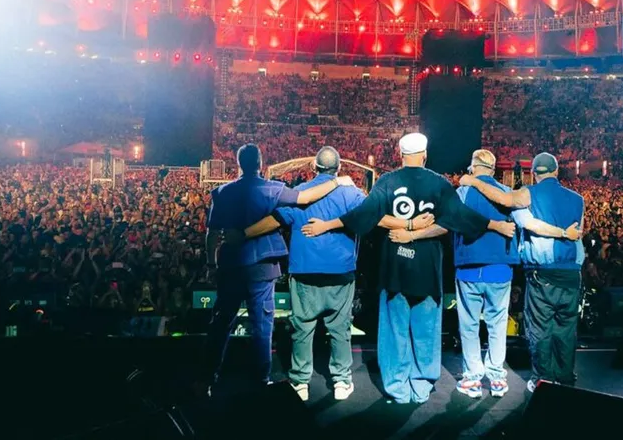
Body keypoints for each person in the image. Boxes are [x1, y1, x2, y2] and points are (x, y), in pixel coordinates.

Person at [302, 133, 516, 405]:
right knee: (426, 330)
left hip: (395, 268)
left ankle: (397, 389)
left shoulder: (388, 181)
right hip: (428, 269)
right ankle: (422, 387)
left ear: (399, 154)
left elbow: (367, 215)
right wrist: (494, 225)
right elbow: (456, 219)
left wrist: (326, 225)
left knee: (395, 330)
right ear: (425, 154)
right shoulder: (438, 183)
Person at [225, 147, 433, 402]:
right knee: (340, 329)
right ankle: (342, 381)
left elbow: (275, 219)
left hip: (304, 273)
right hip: (340, 273)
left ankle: (300, 382)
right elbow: (379, 218)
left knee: (302, 329)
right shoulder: (351, 193)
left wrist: (243, 234)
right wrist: (411, 224)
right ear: (339, 168)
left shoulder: (302, 192)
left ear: (314, 168)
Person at [201, 143, 354, 395]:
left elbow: (212, 234)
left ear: (238, 163)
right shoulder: (272, 189)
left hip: (231, 266)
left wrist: (210, 264)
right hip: (263, 267)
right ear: (260, 162)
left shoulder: (222, 192)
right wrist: (336, 181)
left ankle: (206, 379)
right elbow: (306, 197)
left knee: (221, 323)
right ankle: (261, 380)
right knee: (262, 326)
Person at [460, 152, 584, 391]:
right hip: (571, 274)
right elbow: (579, 232)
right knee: (567, 329)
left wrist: (474, 181)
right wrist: (566, 234)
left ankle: (542, 380)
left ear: (534, 174)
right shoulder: (578, 199)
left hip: (543, 273)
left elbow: (518, 213)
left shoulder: (529, 193)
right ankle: (566, 379)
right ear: (557, 171)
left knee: (540, 328)